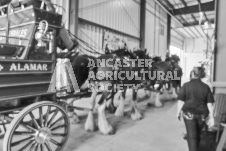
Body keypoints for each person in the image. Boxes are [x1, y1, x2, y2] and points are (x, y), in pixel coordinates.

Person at [1, 0, 78, 51]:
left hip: (13, 20)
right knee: (58, 23)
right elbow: (51, 8)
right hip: (32, 16)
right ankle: (70, 46)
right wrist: (53, 12)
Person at [176, 66, 215, 151]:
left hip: (189, 114)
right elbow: (209, 104)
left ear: (193, 74)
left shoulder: (186, 86)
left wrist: (178, 112)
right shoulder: (206, 87)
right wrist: (212, 118)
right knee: (198, 134)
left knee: (192, 136)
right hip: (202, 115)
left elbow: (181, 101)